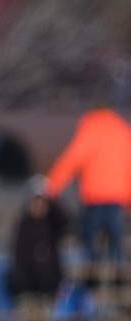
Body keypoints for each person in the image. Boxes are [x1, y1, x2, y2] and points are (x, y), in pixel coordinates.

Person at [45, 100, 131, 264]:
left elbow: (70, 161)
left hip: (94, 197)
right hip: (118, 198)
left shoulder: (90, 130)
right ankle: (117, 280)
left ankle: (91, 281)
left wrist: (52, 186)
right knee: (116, 243)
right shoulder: (123, 131)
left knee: (90, 243)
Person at [7, 176, 69, 321]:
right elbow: (18, 255)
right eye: (35, 201)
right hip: (28, 282)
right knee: (28, 311)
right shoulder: (24, 225)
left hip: (47, 283)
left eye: (42, 201)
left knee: (46, 312)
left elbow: (67, 223)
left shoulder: (51, 224)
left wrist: (52, 200)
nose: (38, 206)